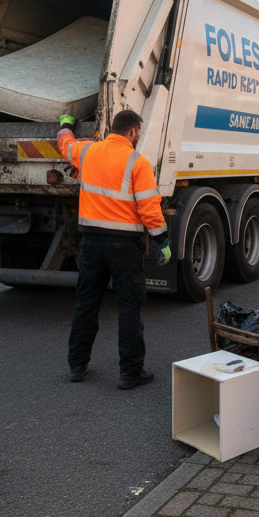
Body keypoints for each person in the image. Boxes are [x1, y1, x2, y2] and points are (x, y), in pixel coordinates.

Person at [57, 109, 172, 389]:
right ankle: (131, 372)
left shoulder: (87, 152)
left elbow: (65, 144)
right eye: (138, 133)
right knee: (130, 307)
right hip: (123, 247)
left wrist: (65, 125)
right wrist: (163, 241)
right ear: (132, 132)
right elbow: (149, 209)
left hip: (92, 244)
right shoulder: (137, 162)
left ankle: (77, 365)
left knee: (86, 304)